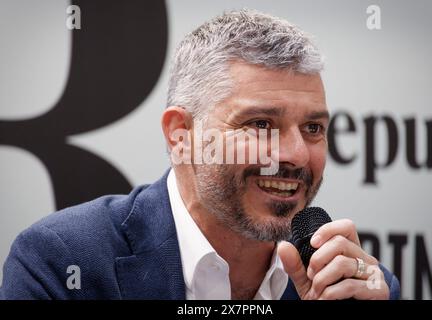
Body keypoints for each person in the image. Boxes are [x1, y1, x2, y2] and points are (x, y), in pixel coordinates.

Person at [0, 9, 399, 300]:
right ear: (181, 136)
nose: (295, 155)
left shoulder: (360, 286)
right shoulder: (61, 263)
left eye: (313, 128)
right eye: (260, 124)